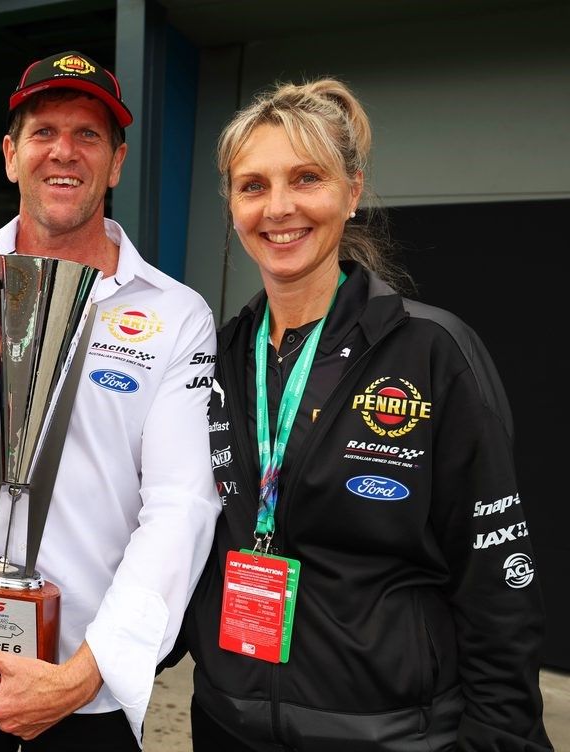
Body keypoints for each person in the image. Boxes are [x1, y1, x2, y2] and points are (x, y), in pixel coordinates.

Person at [169, 77, 552, 750]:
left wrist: (498, 737)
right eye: (253, 185)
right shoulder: (216, 356)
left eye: (306, 178)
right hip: (228, 722)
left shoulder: (432, 351)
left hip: (390, 733)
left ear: (351, 193)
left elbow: (498, 583)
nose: (278, 207)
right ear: (232, 207)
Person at [0, 50, 221, 750]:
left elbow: (180, 504)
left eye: (88, 135)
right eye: (43, 131)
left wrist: (87, 672)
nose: (63, 152)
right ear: (11, 155)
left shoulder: (176, 313)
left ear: (117, 162)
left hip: (86, 689)